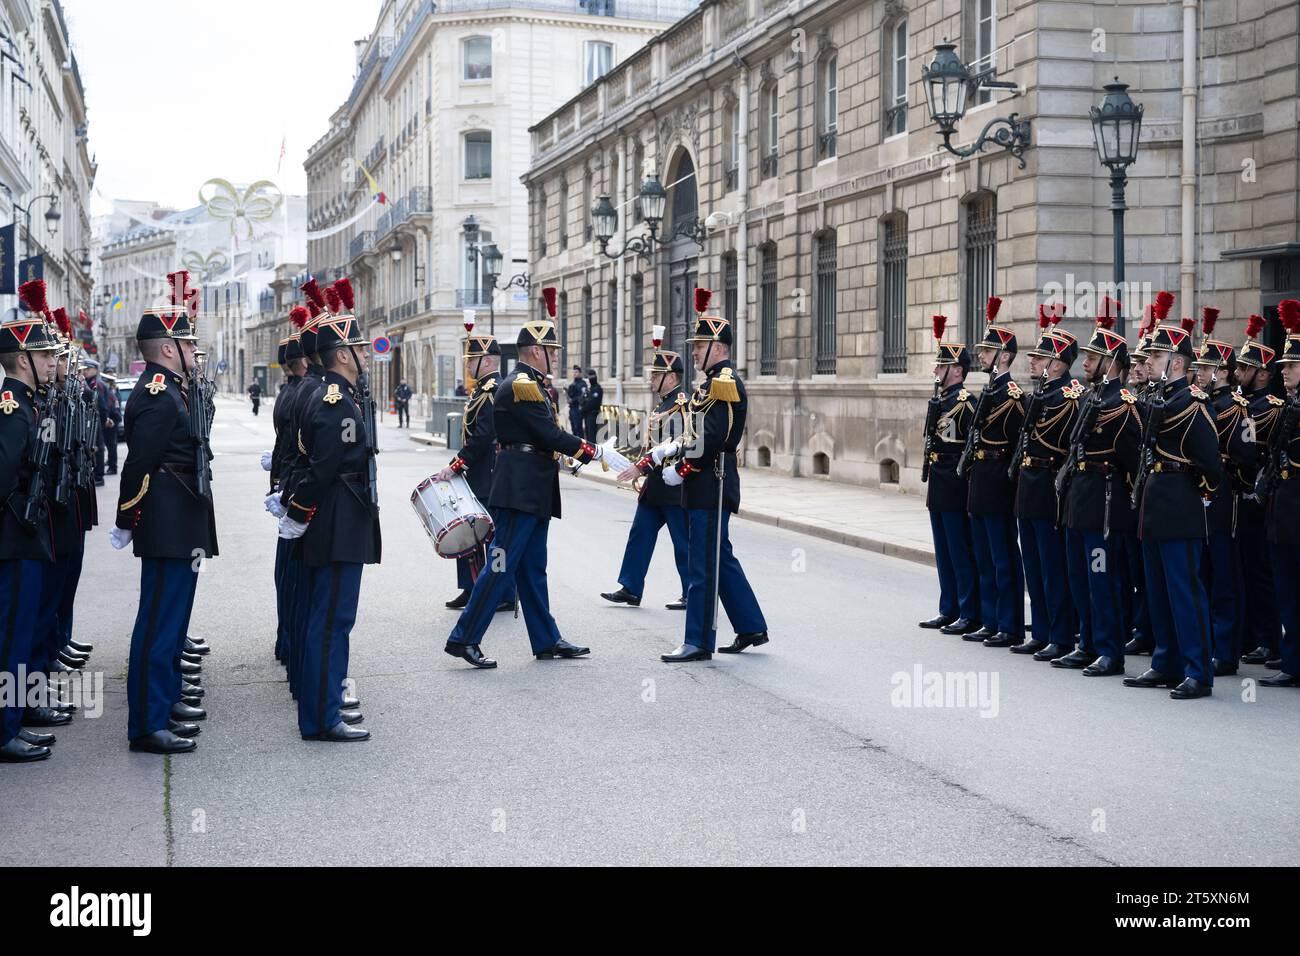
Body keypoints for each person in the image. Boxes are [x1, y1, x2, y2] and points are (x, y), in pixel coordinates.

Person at [444, 287, 605, 668]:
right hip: (519, 490)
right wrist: (589, 449)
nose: (555, 359)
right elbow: (547, 435)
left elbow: (543, 436)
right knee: (499, 564)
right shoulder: (521, 384)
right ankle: (464, 637)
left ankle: (546, 639)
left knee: (533, 569)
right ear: (536, 351)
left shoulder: (531, 384)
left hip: (531, 487)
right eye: (552, 352)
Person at [110, 271, 219, 753]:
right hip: (166, 522)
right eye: (189, 343)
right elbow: (141, 463)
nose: (195, 352)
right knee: (158, 622)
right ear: (169, 348)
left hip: (181, 519)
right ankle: (146, 724)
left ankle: (166, 700)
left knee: (172, 621)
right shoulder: (157, 393)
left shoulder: (175, 389)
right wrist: (125, 519)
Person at [278, 292, 380, 742]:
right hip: (338, 519)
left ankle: (325, 709)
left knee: (329, 617)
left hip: (336, 517)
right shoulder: (335, 400)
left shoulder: (331, 393)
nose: (366, 354)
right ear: (343, 354)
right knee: (332, 620)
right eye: (360, 348)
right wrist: (299, 511)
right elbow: (324, 468)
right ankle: (322, 717)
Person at [658, 289, 767, 662]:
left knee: (703, 565)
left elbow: (715, 437)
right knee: (718, 557)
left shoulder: (725, 382)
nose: (693, 352)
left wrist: (683, 469)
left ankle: (698, 641)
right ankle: (751, 624)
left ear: (717, 348)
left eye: (699, 345)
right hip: (706, 481)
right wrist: (673, 451)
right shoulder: (711, 384)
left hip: (711, 481)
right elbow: (696, 432)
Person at [1123, 315, 1223, 699]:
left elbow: (1211, 465)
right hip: (1154, 503)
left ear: (1177, 362)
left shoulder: (1194, 404)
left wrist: (1198, 497)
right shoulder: (1159, 399)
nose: (1148, 362)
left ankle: (1198, 671)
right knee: (1158, 590)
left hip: (1180, 503)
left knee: (1184, 591)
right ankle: (1166, 662)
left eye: (1156, 356)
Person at [1057, 300, 1141, 675]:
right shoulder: (1091, 398)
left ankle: (1110, 649)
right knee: (1080, 576)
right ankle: (1087, 642)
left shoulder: (1122, 405)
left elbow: (1132, 461)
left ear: (1114, 364)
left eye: (1094, 357)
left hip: (1105, 503)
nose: (1086, 362)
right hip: (1081, 499)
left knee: (1102, 578)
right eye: (1087, 357)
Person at [0, 295, 64, 762]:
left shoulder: (29, 404)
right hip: (14, 536)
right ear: (22, 359)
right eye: (43, 356)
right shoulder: (12, 407)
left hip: (26, 533)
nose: (50, 363)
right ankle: (4, 730)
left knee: (20, 634)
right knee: (10, 638)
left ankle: (15, 718)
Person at [1008, 309, 1080, 658]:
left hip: (1049, 484)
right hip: (1029, 484)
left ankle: (1060, 634)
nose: (1032, 363)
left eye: (1039, 358)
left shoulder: (1068, 398)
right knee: (1033, 565)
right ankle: (1039, 629)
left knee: (1053, 567)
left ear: (1057, 364)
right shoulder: (1038, 396)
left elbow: (1063, 446)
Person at [602, 347, 690, 610]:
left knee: (682, 542)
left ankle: (691, 591)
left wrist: (642, 466)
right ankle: (631, 587)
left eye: (656, 375)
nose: (651, 380)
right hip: (655, 488)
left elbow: (679, 443)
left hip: (675, 486)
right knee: (640, 533)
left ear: (672, 378)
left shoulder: (683, 406)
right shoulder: (663, 403)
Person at [1190, 309, 1253, 676]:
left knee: (1224, 574)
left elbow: (1245, 456)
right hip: (1197, 495)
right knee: (1203, 572)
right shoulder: (1203, 405)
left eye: (1206, 368)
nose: (1200, 373)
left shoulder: (1235, 408)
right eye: (1198, 367)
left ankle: (1226, 649)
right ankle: (1209, 642)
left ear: (1223, 373)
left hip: (1222, 495)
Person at [963, 296, 1026, 649]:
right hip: (981, 478)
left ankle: (1010, 623)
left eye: (987, 351)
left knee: (1003, 556)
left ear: (1004, 356)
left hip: (1000, 479)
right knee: (985, 556)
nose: (981, 356)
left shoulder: (1013, 395)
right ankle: (990, 619)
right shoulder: (987, 390)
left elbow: (1019, 443)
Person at [439, 333, 515, 614]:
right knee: (469, 533)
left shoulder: (493, 391)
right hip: (478, 473)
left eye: (472, 360)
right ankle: (471, 587)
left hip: (490, 474)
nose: (468, 365)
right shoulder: (481, 390)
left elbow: (483, 436)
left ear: (486, 362)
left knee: (495, 537)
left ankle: (505, 591)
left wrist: (457, 464)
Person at [919, 319, 982, 636]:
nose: (936, 371)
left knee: (959, 549)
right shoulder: (940, 400)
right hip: (939, 480)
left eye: (942, 366)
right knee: (943, 550)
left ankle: (969, 611)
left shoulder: (966, 403)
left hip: (956, 482)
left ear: (957, 370)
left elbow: (972, 445)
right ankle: (949, 607)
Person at [1234, 314, 1285, 667]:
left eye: (1245, 368)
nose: (1238, 373)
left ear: (1263, 374)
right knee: (1246, 571)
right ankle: (1253, 634)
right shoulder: (1245, 405)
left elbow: (1246, 446)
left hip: (1257, 498)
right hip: (1241, 497)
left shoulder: (1269, 408)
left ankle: (1269, 639)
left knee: (1261, 573)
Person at [1260, 300, 1300, 688]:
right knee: (1286, 588)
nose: (1283, 372)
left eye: (1289, 366)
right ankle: (1292, 660)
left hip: (1295, 509)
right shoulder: (1290, 404)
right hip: (1283, 508)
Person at [265, 318, 309, 665]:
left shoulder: (289, 391)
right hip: (300, 491)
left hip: (288, 486)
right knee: (298, 577)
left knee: (289, 573)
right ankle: (293, 646)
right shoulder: (305, 392)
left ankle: (287, 640)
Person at [582, 367, 604, 443]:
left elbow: (592, 403)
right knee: (588, 435)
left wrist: (584, 408)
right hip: (587, 415)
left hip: (593, 415)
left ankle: (593, 453)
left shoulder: (597, 389)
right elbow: (583, 400)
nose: (590, 379)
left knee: (592, 436)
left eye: (591, 377)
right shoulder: (590, 389)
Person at [566, 364, 587, 435]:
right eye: (574, 372)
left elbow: (583, 396)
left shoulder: (582, 384)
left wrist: (573, 400)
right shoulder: (572, 384)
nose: (574, 374)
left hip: (578, 408)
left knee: (578, 429)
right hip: (572, 409)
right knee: (573, 429)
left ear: (580, 373)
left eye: (576, 372)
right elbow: (569, 395)